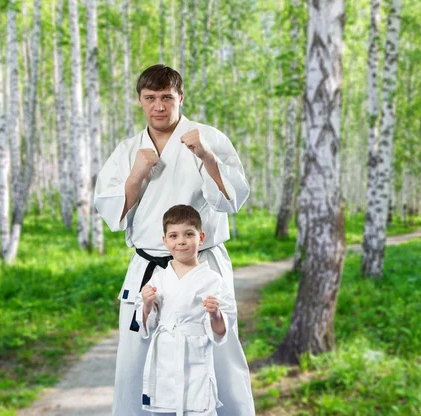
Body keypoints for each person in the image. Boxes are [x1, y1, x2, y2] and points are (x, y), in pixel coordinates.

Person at [94, 64, 254, 416]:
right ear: (140, 101)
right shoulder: (127, 151)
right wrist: (136, 174)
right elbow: (112, 216)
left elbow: (233, 200)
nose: (159, 106)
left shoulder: (208, 137)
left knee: (219, 351)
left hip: (202, 264)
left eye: (167, 97)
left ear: (180, 97)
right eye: (150, 98)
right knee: (136, 356)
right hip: (150, 267)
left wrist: (207, 157)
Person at [135, 205, 240, 416]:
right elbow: (147, 323)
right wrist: (146, 305)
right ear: (165, 241)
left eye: (188, 234)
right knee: (164, 408)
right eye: (173, 235)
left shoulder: (213, 280)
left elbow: (221, 331)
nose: (181, 241)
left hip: (195, 356)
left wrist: (215, 314)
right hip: (164, 356)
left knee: (200, 406)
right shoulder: (159, 277)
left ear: (200, 238)